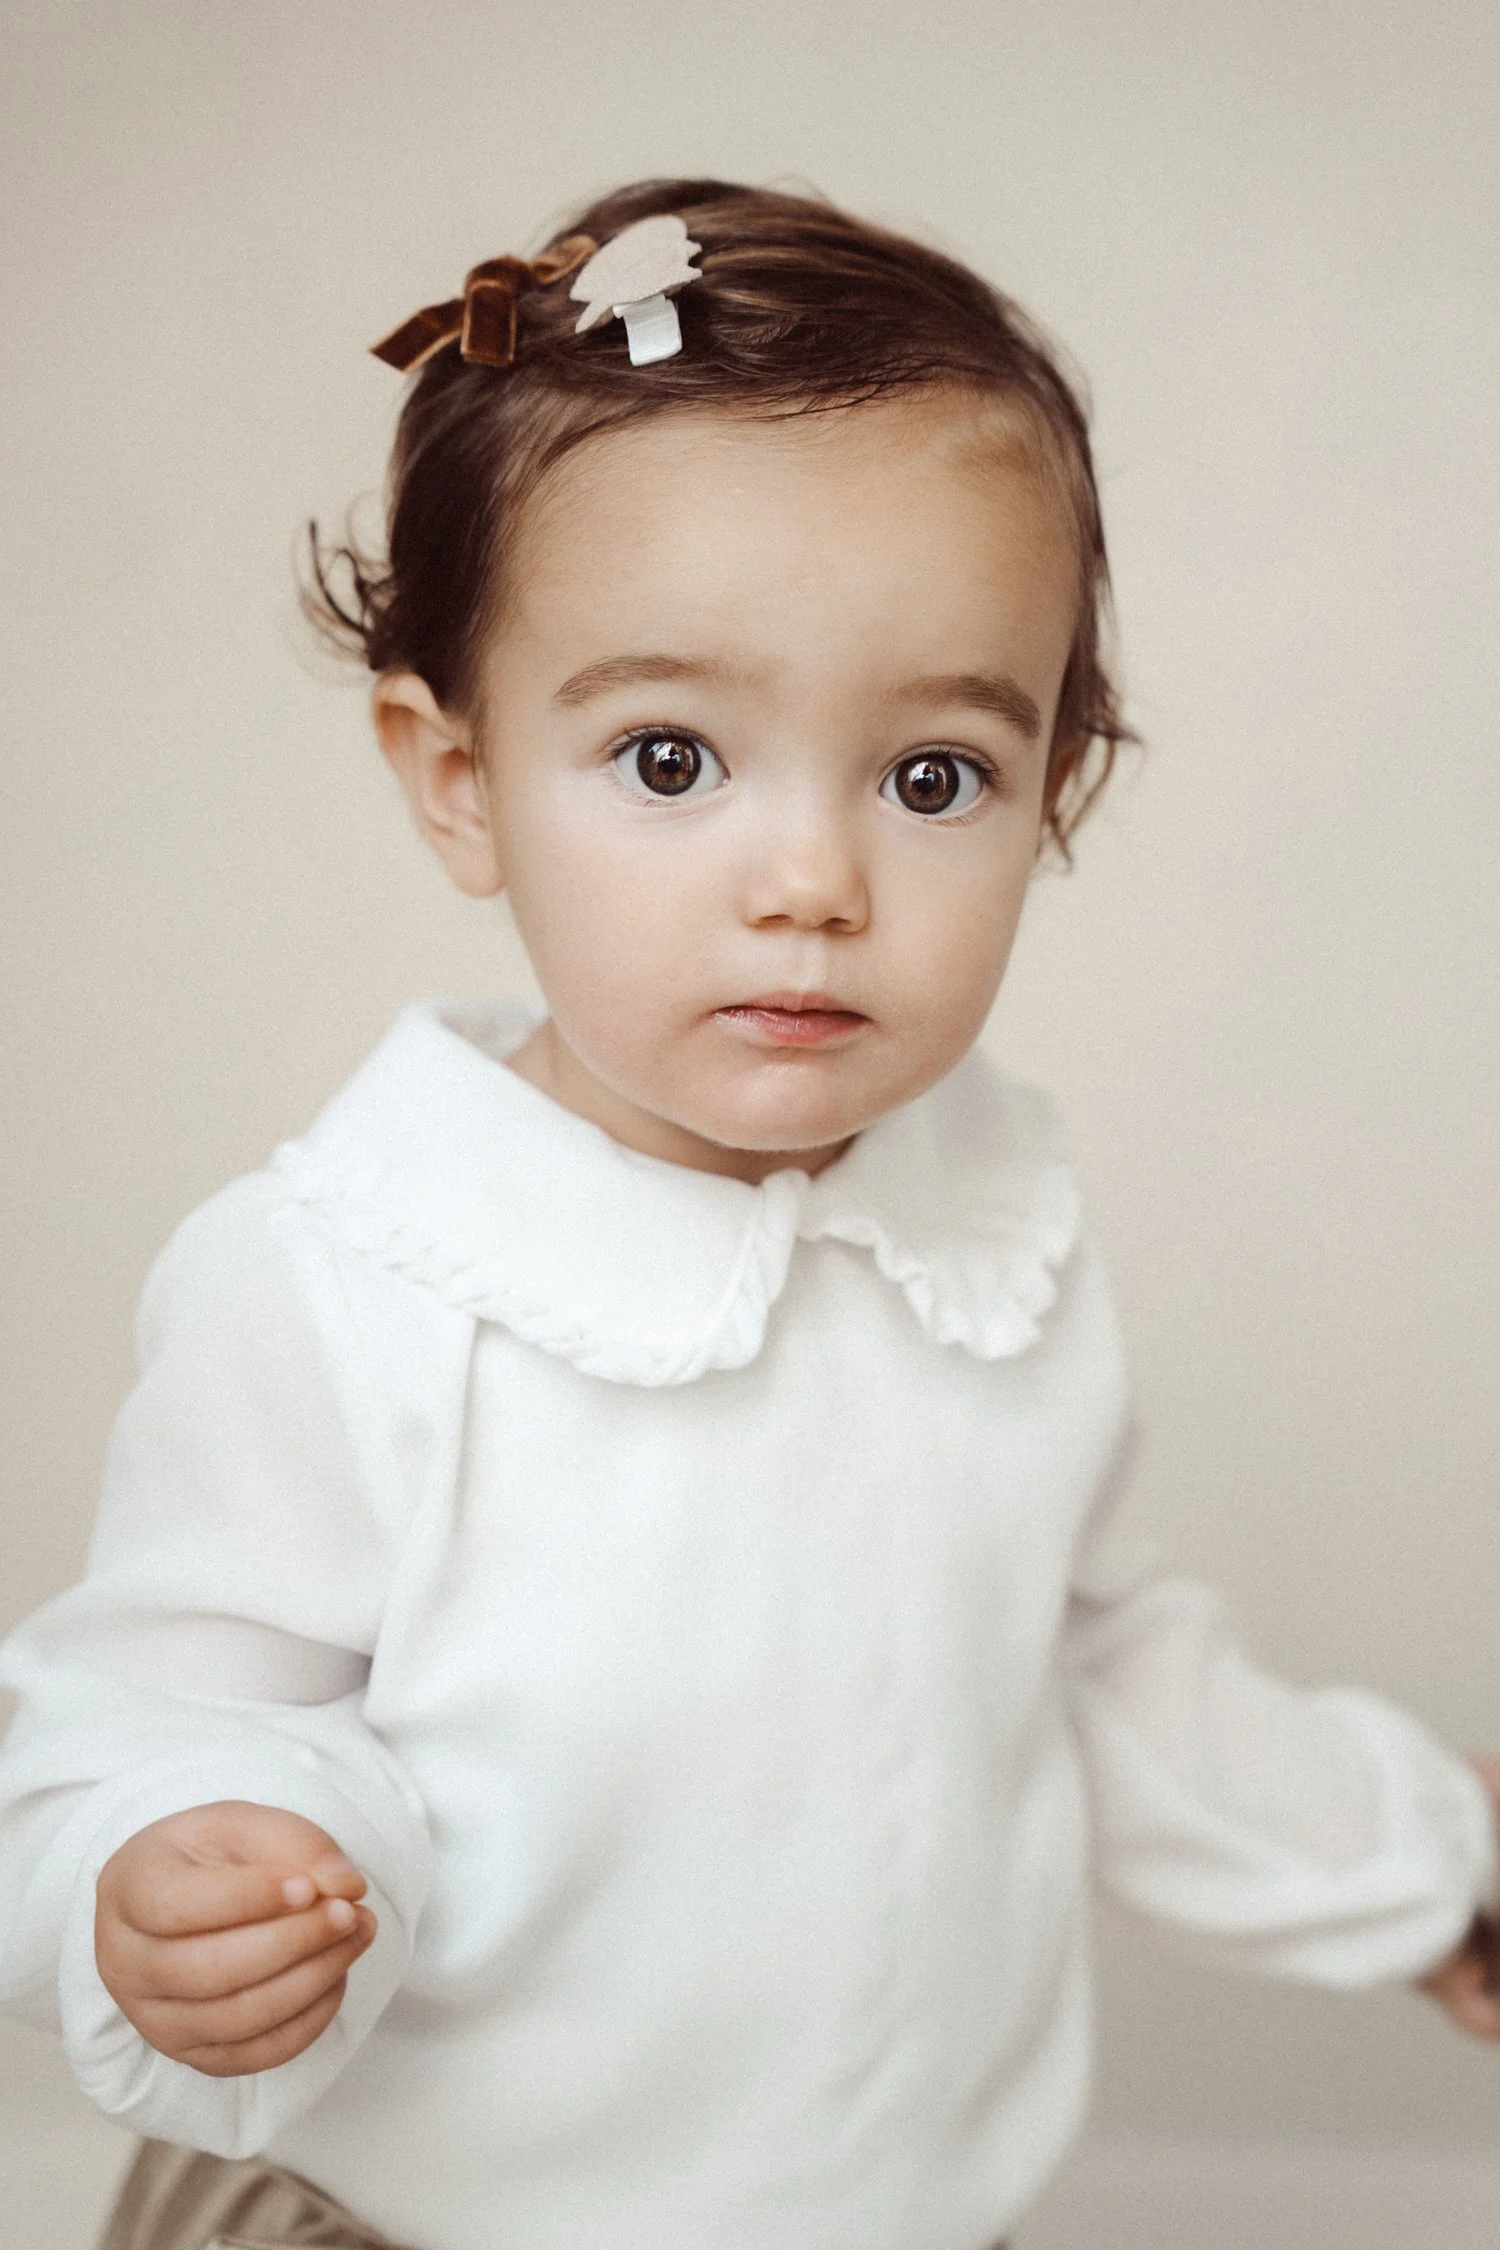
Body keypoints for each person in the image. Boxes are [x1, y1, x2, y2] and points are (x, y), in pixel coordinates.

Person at [0, 177, 1495, 2250]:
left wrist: (1415, 1861)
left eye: (936, 777)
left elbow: (1093, 1662)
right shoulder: (353, 1282)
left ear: (1058, 785)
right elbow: (169, 1705)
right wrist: (199, 1853)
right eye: (675, 755)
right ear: (460, 781)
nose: (813, 879)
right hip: (409, 2219)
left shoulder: (996, 1235)